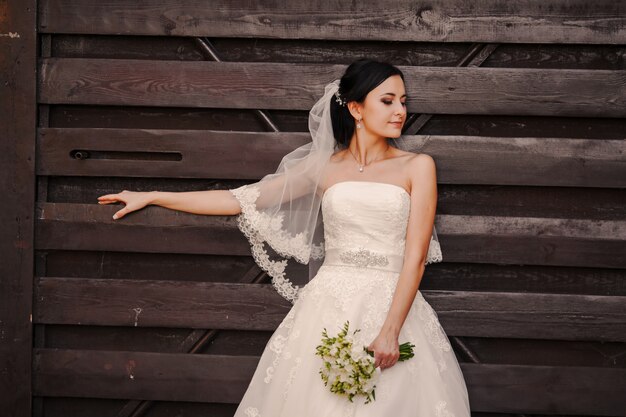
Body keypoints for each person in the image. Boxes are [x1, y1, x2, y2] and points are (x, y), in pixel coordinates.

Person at [98, 59, 471, 416]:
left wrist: (390, 331)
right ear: (356, 109)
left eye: (403, 102)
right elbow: (239, 199)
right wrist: (153, 195)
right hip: (328, 304)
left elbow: (416, 257)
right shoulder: (325, 169)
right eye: (387, 101)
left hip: (395, 306)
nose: (399, 111)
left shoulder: (417, 167)